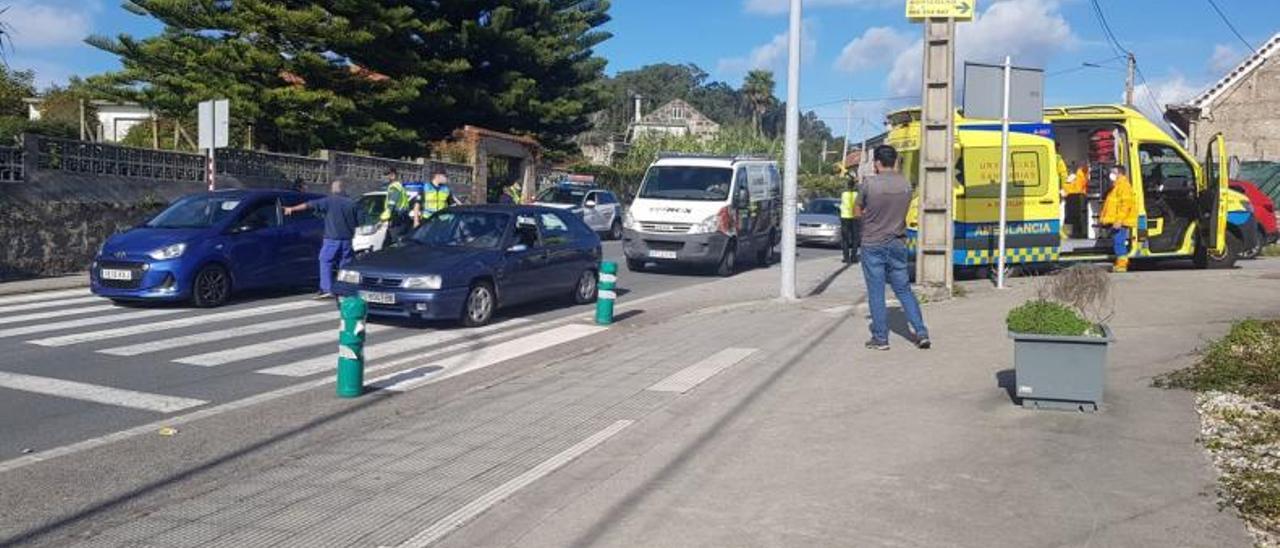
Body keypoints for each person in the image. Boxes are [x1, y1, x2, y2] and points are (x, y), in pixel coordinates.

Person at [856, 145, 930, 351]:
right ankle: (921, 332)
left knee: (876, 291)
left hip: (872, 244)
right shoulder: (905, 185)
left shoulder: (869, 184)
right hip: (897, 242)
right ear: (895, 161)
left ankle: (881, 338)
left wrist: (868, 220)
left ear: (877, 163)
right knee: (904, 290)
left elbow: (857, 211)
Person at [284, 179, 359, 299]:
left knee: (325, 260)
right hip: (347, 240)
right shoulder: (351, 203)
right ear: (343, 189)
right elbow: (359, 221)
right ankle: (345, 288)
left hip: (332, 239)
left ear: (332, 189)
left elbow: (308, 205)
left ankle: (326, 288)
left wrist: (291, 209)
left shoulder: (328, 201)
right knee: (345, 264)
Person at [1099, 164, 1137, 272]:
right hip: (1117, 220)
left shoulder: (1123, 186)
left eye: (1114, 173)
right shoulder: (1117, 186)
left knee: (1119, 242)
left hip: (1121, 221)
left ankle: (1122, 265)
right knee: (1118, 242)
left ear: (1120, 173)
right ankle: (1120, 264)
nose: (1111, 175)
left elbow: (1125, 206)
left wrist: (1119, 220)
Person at [381, 169, 412, 242]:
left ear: (393, 176)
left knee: (394, 240)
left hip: (397, 216)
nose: (385, 178)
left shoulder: (394, 187)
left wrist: (385, 215)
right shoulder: (398, 186)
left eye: (386, 176)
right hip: (402, 215)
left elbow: (392, 202)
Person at [839, 176, 861, 264]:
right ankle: (854, 256)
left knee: (845, 238)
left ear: (847, 186)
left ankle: (846, 257)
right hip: (854, 217)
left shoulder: (844, 194)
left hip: (845, 217)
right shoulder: (857, 194)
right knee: (855, 238)